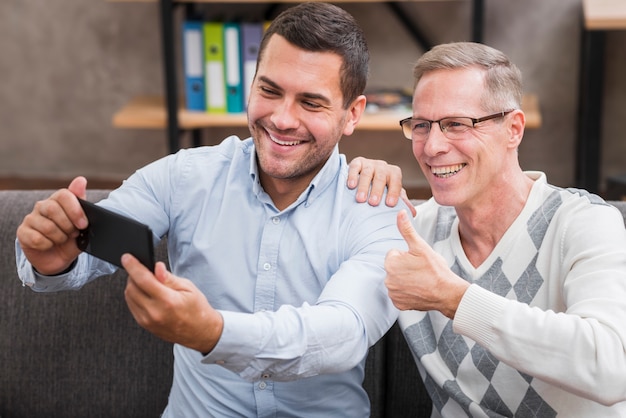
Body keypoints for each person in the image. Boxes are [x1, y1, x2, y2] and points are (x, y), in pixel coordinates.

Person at [14, 3, 411, 416]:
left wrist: (214, 333)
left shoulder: (377, 206)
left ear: (352, 115)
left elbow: (343, 333)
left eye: (311, 103)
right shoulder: (184, 177)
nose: (281, 119)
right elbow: (82, 254)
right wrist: (52, 261)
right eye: (269, 91)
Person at [380, 42, 626, 416]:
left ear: (513, 129)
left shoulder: (583, 222)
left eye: (457, 125)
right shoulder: (412, 231)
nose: (432, 146)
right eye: (421, 126)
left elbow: (612, 366)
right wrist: (349, 181)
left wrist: (454, 298)